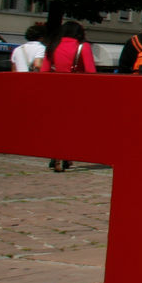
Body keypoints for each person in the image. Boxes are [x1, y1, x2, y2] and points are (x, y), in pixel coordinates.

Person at [41, 21, 95, 171]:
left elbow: (44, 71)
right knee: (71, 125)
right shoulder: (83, 47)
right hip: (76, 91)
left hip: (55, 90)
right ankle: (66, 155)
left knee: (56, 124)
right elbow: (91, 72)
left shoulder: (52, 46)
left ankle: (55, 154)